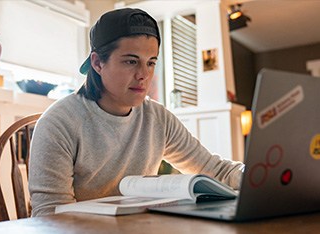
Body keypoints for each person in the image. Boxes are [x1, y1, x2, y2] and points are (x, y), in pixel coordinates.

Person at [29, 8, 244, 217]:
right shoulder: (59, 123)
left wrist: (260, 176)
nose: (144, 75)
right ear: (97, 63)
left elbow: (214, 170)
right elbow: (50, 215)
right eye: (131, 61)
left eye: (151, 63)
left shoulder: (157, 118)